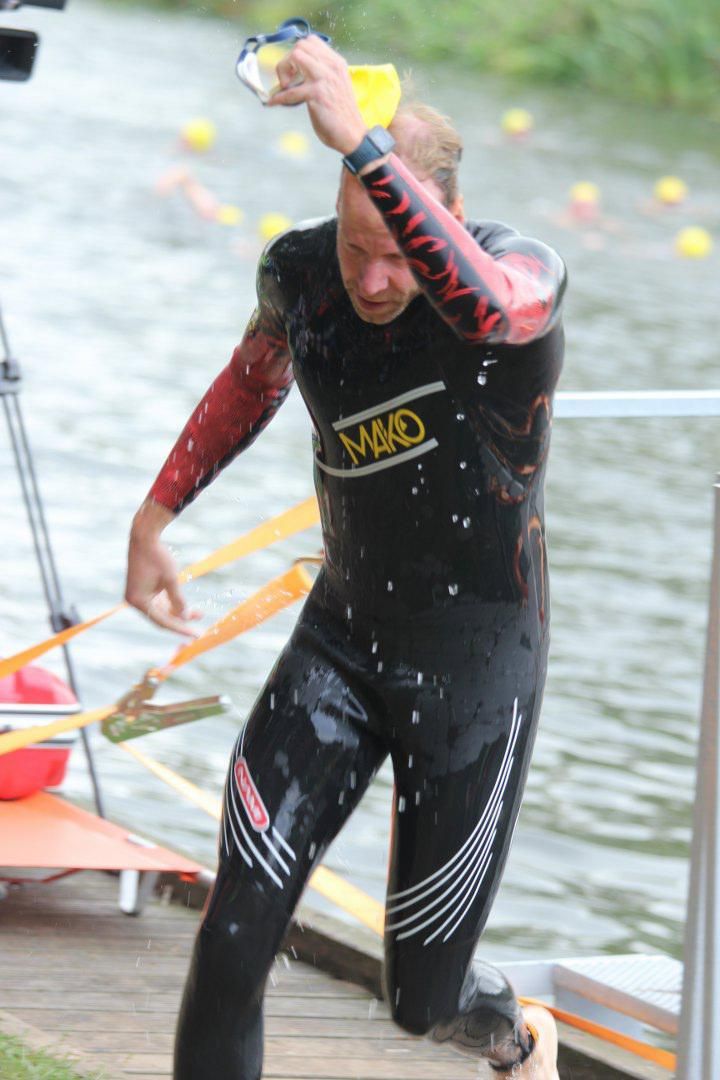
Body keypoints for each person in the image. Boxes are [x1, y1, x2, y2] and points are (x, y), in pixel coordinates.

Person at [125, 34, 567, 1080]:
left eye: (397, 254)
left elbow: (492, 309)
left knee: (421, 998)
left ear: (443, 223)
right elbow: (253, 377)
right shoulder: (302, 271)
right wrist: (154, 516)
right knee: (233, 934)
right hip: (343, 641)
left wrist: (365, 147)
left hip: (477, 670)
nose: (370, 279)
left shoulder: (518, 283)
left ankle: (520, 1038)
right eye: (356, 246)